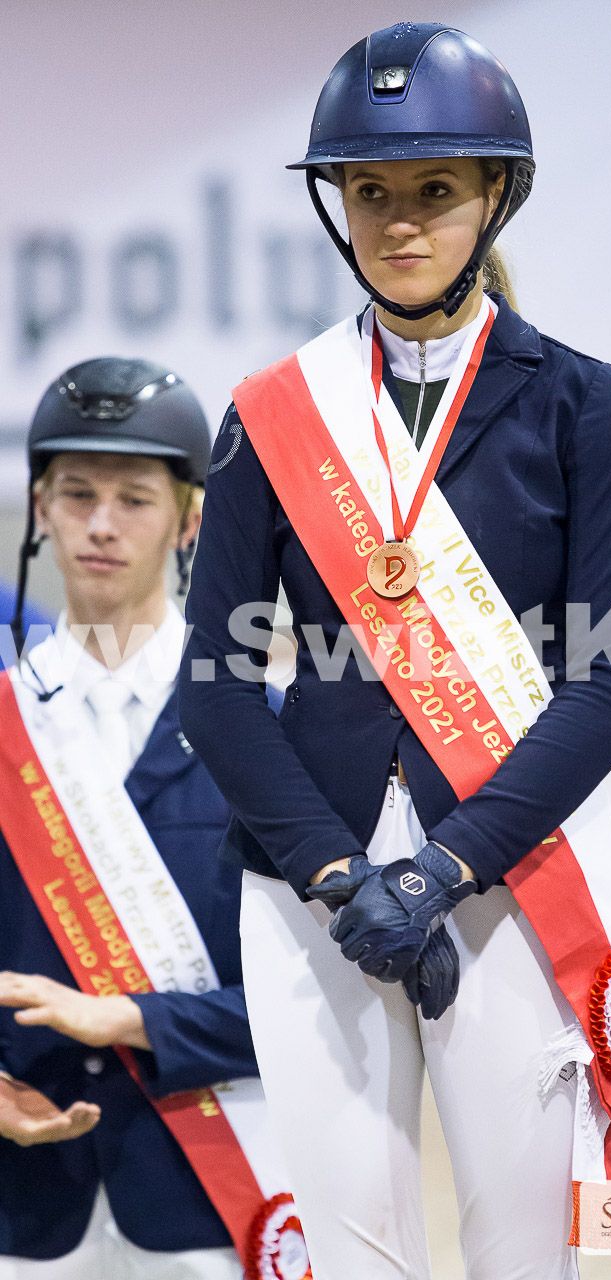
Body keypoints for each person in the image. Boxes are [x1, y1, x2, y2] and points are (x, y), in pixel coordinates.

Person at [180, 22, 611, 1280]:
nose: (400, 221)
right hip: (311, 890)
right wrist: (340, 877)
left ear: (494, 193)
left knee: (526, 1248)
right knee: (351, 1255)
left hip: (511, 866)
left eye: (435, 189)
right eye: (371, 193)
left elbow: (610, 683)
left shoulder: (584, 406)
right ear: (338, 206)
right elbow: (217, 686)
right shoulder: (270, 416)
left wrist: (444, 868)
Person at [0, 358, 302, 1280]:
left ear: (189, 520)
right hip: (22, 1209)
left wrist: (133, 1019)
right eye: (76, 494)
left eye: (133, 499)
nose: (100, 523)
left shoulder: (271, 733)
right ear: (41, 508)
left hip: (214, 1202)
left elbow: (322, 1000)